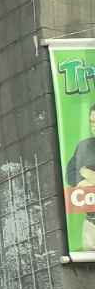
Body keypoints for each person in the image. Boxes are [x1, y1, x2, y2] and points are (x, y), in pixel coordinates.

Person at [64, 104, 95, 252]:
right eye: (91, 122)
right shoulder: (86, 145)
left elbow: (80, 171)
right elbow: (70, 173)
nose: (94, 126)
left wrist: (87, 173)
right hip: (91, 223)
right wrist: (86, 180)